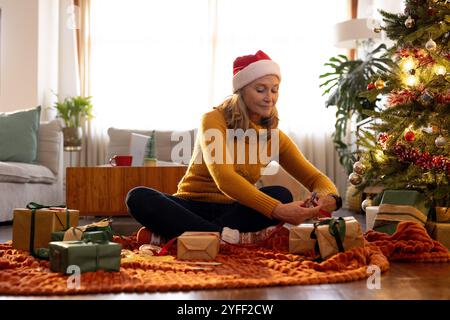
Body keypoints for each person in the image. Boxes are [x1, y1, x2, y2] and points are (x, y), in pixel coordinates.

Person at [126, 50, 342, 242]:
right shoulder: (213, 119)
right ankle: (230, 237)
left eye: (274, 90)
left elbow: (316, 179)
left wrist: (329, 199)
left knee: (281, 193)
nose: (270, 98)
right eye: (261, 90)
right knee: (138, 197)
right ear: (241, 92)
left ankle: (193, 235)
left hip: (233, 212)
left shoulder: (274, 136)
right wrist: (279, 211)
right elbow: (225, 179)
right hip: (190, 205)